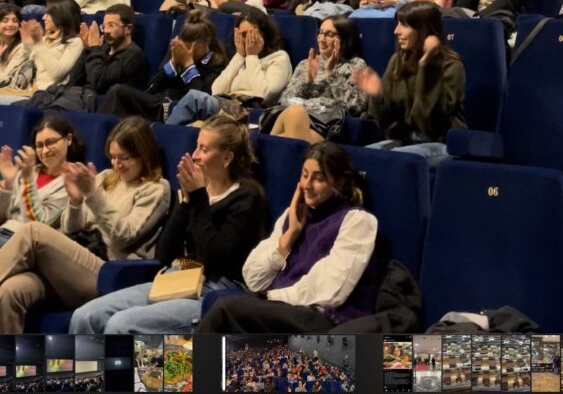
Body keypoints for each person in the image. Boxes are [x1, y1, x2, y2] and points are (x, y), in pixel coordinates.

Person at [68, 114, 269, 334]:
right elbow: (165, 254)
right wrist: (185, 201)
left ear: (227, 158)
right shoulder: (197, 191)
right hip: (177, 277)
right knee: (85, 316)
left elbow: (215, 256)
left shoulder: (247, 197)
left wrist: (199, 197)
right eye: (196, 147)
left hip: (216, 292)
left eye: (204, 149)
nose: (195, 156)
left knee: (120, 326)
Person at [0, 115, 171, 333]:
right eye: (113, 157)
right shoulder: (106, 177)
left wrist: (92, 194)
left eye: (124, 158)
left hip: (107, 271)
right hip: (74, 263)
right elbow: (72, 229)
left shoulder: (156, 189)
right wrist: (75, 202)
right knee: (9, 292)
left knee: (33, 231)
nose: (117, 165)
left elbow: (123, 237)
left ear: (144, 155)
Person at [196, 141, 381, 334]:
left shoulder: (357, 221)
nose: (307, 185)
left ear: (340, 183)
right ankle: (180, 362)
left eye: (318, 178)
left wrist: (269, 298)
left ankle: (181, 362)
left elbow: (329, 291)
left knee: (225, 309)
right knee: (218, 313)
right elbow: (253, 279)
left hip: (324, 319)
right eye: (304, 175)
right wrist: (289, 236)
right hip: (284, 311)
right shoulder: (293, 216)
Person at [354, 1, 466, 163]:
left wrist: (426, 68)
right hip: (406, 140)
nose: (396, 31)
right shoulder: (398, 61)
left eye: (404, 25)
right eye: (397, 24)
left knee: (399, 160)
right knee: (362, 157)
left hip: (442, 143)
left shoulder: (452, 66)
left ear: (425, 30)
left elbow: (429, 123)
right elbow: (387, 126)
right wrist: (378, 95)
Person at [166, 8, 292, 124]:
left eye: (251, 34)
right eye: (242, 35)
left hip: (249, 111)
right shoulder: (240, 59)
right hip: (226, 105)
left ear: (264, 34)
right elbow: (216, 90)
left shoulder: (279, 58)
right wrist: (240, 56)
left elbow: (264, 95)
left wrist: (252, 57)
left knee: (194, 98)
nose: (247, 40)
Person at [100, 10, 228, 121]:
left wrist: (188, 65)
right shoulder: (177, 51)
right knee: (118, 93)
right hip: (158, 104)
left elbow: (201, 100)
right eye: (184, 44)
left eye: (190, 46)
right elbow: (151, 88)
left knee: (118, 92)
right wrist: (172, 63)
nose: (185, 50)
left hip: (177, 109)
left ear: (205, 43)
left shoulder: (217, 63)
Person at [268, 17, 369, 142]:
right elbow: (284, 100)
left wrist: (331, 74)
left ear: (344, 38)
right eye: (320, 33)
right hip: (293, 118)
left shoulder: (355, 65)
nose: (321, 39)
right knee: (294, 114)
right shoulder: (306, 63)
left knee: (293, 116)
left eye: (329, 34)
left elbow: (355, 107)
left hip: (322, 125)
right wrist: (307, 81)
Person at [0, 113, 85, 243]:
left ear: (68, 139)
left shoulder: (73, 181)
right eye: (39, 145)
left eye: (50, 142)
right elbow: (5, 214)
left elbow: (38, 226)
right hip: (5, 232)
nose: (45, 151)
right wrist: (8, 184)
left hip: (27, 243)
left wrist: (27, 181)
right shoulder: (31, 171)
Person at [0, 1, 85, 104]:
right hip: (29, 90)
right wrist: (27, 45)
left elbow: (57, 73)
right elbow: (19, 66)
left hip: (47, 95)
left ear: (60, 17)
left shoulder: (74, 42)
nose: (44, 17)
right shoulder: (44, 39)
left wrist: (38, 44)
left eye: (48, 14)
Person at [0, 5, 29, 91]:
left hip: (10, 90)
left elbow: (7, 77)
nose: (10, 24)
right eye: (5, 21)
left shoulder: (23, 47)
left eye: (15, 21)